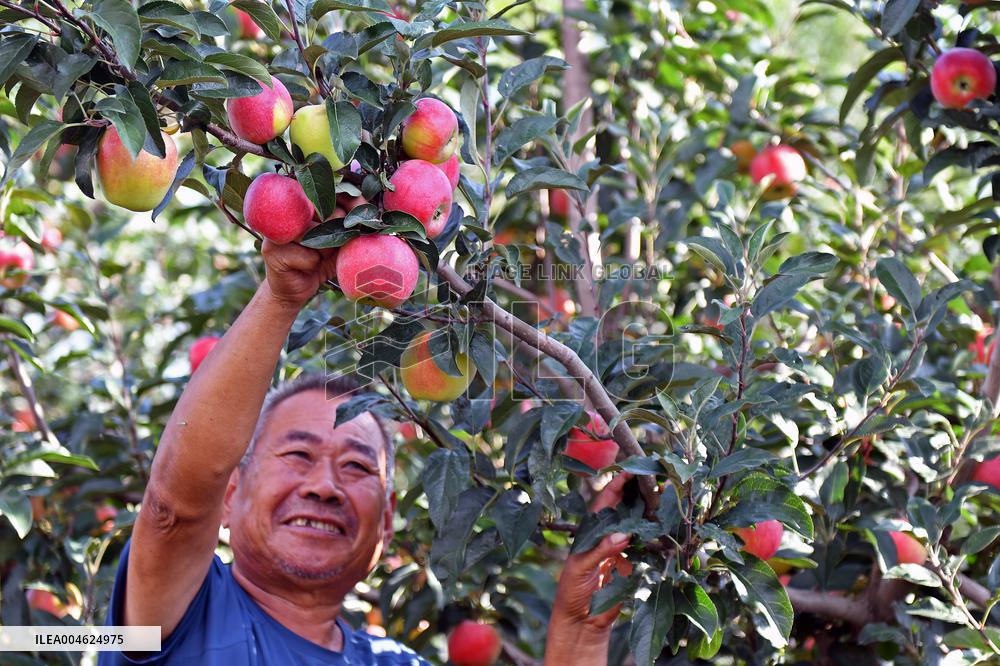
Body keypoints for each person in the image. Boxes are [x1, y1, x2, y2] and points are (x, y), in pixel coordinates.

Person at [99, 241, 632, 665]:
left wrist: (581, 630)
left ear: (387, 523)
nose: (324, 486)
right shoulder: (178, 619)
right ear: (230, 492)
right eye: (297, 455)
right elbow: (173, 509)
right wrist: (282, 297)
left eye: (356, 466)